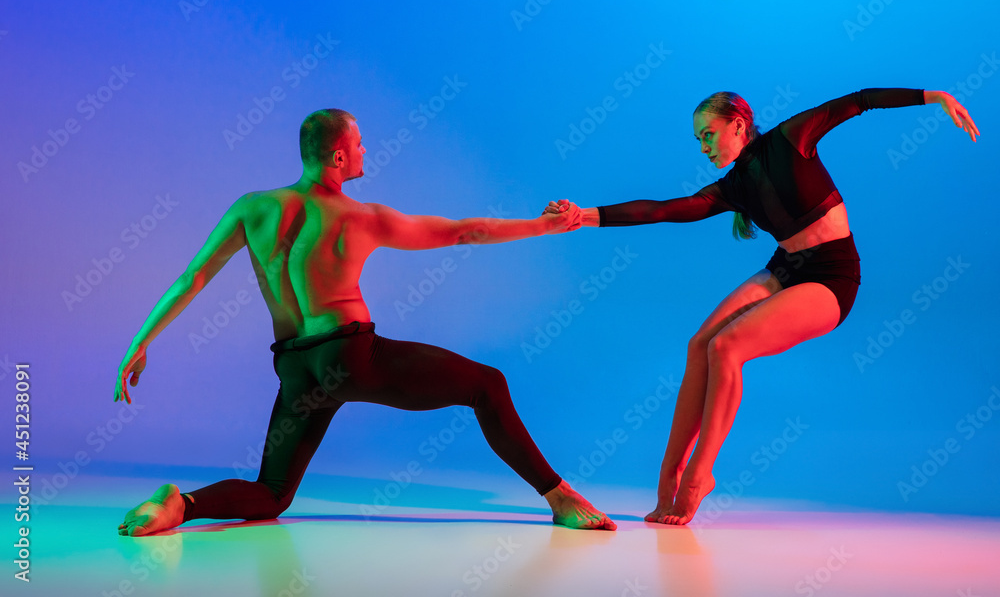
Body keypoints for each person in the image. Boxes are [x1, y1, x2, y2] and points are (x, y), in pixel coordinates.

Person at [115, 108, 616, 536]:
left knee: (270, 495)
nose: (364, 150)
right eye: (357, 143)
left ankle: (180, 505)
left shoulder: (253, 207)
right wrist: (544, 225)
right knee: (488, 383)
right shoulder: (359, 217)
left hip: (294, 366)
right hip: (352, 356)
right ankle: (560, 498)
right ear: (338, 157)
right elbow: (464, 233)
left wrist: (141, 341)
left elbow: (193, 277)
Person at [553, 87, 978, 525]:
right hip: (786, 267)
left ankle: (702, 472)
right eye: (698, 140)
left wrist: (934, 97)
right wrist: (583, 215)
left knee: (727, 347)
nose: (703, 147)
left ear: (737, 125)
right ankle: (670, 473)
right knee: (700, 344)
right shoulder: (732, 186)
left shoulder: (791, 138)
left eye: (708, 135)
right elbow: (663, 210)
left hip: (833, 277)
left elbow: (858, 100)